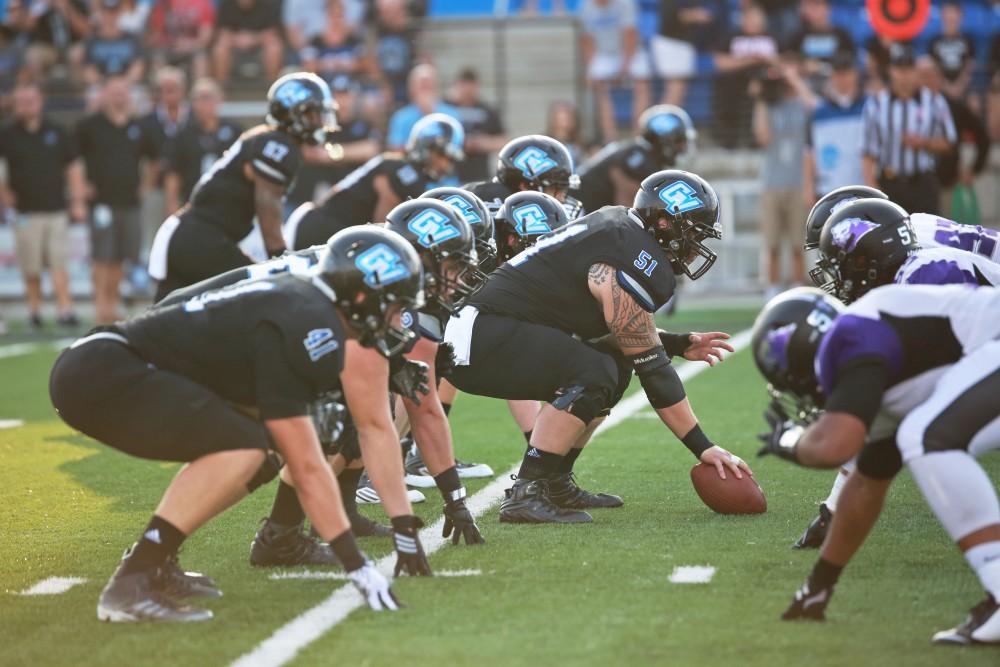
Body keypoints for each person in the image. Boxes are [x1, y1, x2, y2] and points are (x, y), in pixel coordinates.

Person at [49, 226, 423, 621]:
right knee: (245, 449)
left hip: (108, 365)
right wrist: (358, 567)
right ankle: (132, 580)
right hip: (106, 371)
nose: (398, 321)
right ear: (361, 296)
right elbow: (309, 469)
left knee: (261, 445)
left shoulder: (310, 308)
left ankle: (153, 561)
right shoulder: (311, 326)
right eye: (394, 307)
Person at [444, 170, 748, 524]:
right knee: (594, 371)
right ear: (665, 223)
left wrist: (677, 343)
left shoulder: (619, 229)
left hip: (491, 328)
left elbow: (617, 330)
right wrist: (703, 446)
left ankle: (554, 482)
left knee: (613, 364)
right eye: (694, 236)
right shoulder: (630, 250)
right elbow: (652, 367)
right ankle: (528, 490)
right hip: (479, 333)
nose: (697, 249)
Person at [754, 283, 1000, 645]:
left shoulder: (850, 336)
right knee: (919, 436)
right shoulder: (884, 366)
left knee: (926, 438)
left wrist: (790, 441)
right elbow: (867, 482)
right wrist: (820, 582)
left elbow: (834, 446)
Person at [147, 72, 336, 301]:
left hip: (192, 234)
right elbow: (268, 204)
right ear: (295, 114)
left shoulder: (270, 139)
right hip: (199, 237)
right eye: (314, 114)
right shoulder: (279, 145)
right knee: (259, 297)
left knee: (164, 323)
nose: (320, 121)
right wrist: (280, 258)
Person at [286, 113, 465, 251]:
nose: (444, 164)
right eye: (440, 154)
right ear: (425, 146)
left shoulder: (400, 167)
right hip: (317, 228)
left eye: (449, 158)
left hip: (321, 225)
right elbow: (384, 230)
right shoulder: (402, 172)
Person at [0, 82, 86, 329]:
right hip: (25, 212)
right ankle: (34, 311)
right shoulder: (7, 134)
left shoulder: (57, 130)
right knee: (31, 265)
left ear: (41, 101)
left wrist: (78, 200)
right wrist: (5, 194)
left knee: (59, 263)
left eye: (31, 100)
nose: (27, 105)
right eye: (22, 101)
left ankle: (64, 309)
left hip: (56, 209)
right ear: (15, 104)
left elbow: (73, 166)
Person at [76, 75, 158, 323]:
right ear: (104, 95)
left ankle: (113, 303)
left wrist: (145, 186)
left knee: (121, 258)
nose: (119, 96)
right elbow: (75, 161)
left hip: (129, 202)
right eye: (114, 92)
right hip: (101, 202)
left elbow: (153, 160)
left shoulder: (139, 126)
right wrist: (81, 189)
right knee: (102, 257)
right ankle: (101, 305)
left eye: (123, 92)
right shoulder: (89, 125)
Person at [861, 43, 956, 216]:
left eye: (908, 69)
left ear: (915, 71)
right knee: (889, 240)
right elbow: (868, 151)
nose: (904, 75)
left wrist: (923, 143)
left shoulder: (934, 101)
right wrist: (872, 187)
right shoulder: (876, 104)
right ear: (891, 70)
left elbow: (949, 142)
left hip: (922, 182)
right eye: (899, 69)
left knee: (926, 239)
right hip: (889, 182)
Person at [752, 60, 814, 298]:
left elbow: (814, 106)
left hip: (798, 182)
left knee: (799, 242)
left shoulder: (800, 104)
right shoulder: (768, 106)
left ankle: (798, 286)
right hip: (771, 184)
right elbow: (763, 137)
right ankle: (773, 288)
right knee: (773, 243)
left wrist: (793, 78)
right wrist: (759, 96)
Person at [574, 104, 696, 213]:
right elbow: (626, 213)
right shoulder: (636, 161)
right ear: (664, 141)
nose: (683, 148)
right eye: (679, 142)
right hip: (574, 212)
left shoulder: (641, 155)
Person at [284, 73, 379, 211]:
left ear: (355, 98)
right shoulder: (317, 122)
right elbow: (309, 152)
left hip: (351, 200)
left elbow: (371, 149)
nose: (342, 101)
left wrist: (331, 154)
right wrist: (347, 154)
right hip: (307, 201)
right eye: (337, 95)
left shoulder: (363, 124)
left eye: (346, 95)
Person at [917, 58, 991, 223]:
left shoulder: (954, 107)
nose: (925, 81)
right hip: (915, 188)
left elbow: (982, 137)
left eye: (929, 76)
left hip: (945, 186)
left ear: (939, 77)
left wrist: (973, 169)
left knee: (945, 236)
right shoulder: (906, 107)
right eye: (921, 76)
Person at [162, 78, 243, 213]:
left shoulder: (234, 132)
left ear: (220, 100)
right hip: (193, 205)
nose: (203, 103)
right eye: (198, 99)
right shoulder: (183, 135)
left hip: (228, 204)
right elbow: (173, 174)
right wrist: (172, 207)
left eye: (207, 97)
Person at [465, 134, 586, 222]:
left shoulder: (568, 209)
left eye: (563, 191)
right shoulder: (477, 203)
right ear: (525, 186)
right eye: (555, 189)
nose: (562, 199)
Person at [579, 0, 651, 143]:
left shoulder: (625, 4)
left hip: (630, 52)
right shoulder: (586, 7)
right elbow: (586, 41)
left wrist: (624, 68)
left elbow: (630, 35)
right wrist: (591, 68)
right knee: (599, 87)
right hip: (604, 54)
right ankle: (610, 138)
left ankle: (639, 134)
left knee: (642, 84)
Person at [803, 50, 867, 207]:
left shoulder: (869, 107)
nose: (842, 78)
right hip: (829, 192)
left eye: (846, 73)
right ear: (832, 76)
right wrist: (808, 186)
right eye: (838, 74)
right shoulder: (819, 112)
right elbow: (809, 151)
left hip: (863, 190)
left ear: (855, 74)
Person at [712, 2, 778, 149]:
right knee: (726, 88)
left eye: (757, 17)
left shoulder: (772, 37)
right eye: (750, 17)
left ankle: (758, 139)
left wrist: (763, 68)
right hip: (735, 83)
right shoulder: (732, 37)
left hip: (766, 81)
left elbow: (782, 62)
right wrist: (751, 59)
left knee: (765, 86)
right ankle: (729, 139)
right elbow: (720, 62)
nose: (754, 21)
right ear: (743, 19)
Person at [446, 68, 507, 184]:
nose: (467, 91)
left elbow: (503, 140)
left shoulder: (487, 110)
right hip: (452, 175)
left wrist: (483, 143)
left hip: (479, 174)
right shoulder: (447, 107)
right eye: (464, 85)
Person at [386, 64, 460, 151]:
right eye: (422, 85)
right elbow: (395, 148)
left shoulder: (451, 115)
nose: (425, 90)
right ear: (411, 89)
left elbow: (457, 145)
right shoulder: (400, 117)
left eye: (428, 85)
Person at [211, 0, 283, 85]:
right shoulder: (226, 5)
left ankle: (272, 85)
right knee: (220, 47)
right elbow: (222, 31)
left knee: (274, 47)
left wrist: (253, 39)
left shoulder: (268, 5)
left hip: (261, 43)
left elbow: (272, 31)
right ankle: (222, 86)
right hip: (234, 44)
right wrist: (238, 39)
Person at [787, 0, 854, 89]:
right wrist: (803, 67)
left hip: (836, 82)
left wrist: (821, 67)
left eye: (817, 5)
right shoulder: (798, 37)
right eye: (809, 6)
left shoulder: (842, 35)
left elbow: (849, 63)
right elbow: (791, 60)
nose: (813, 10)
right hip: (805, 84)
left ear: (828, 7)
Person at [78, 0, 145, 86]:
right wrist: (106, 86)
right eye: (106, 11)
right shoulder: (91, 41)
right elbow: (89, 71)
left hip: (127, 87)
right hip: (100, 87)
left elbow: (138, 67)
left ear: (120, 12)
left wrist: (123, 84)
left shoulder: (132, 39)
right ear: (100, 12)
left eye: (114, 11)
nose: (110, 16)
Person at [298, 0, 368, 81]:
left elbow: (367, 65)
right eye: (333, 15)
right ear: (326, 16)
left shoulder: (354, 40)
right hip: (325, 86)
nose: (336, 20)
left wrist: (349, 65)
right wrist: (326, 65)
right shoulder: (315, 41)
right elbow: (306, 68)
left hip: (352, 88)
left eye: (339, 15)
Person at [145, 0, 215, 80]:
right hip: (169, 47)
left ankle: (200, 88)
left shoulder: (203, 4)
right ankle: (156, 88)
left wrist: (189, 45)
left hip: (193, 48)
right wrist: (170, 43)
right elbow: (156, 35)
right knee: (158, 56)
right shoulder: (164, 3)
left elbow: (206, 37)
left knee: (200, 57)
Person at [928, 2, 975, 103]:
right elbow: (933, 67)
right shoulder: (935, 41)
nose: (951, 19)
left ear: (960, 17)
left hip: (963, 88)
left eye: (954, 16)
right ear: (943, 17)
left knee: (974, 102)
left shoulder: (967, 41)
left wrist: (959, 86)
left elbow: (969, 66)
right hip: (939, 87)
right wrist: (946, 86)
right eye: (948, 16)